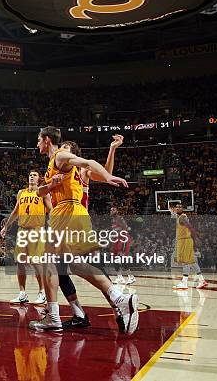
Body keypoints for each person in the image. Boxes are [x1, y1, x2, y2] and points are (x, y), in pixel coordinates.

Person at [29, 126, 139, 335]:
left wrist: (107, 175)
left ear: (47, 140)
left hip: (69, 213)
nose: (37, 143)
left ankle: (55, 317)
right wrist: (51, 185)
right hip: (70, 214)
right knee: (76, 266)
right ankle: (118, 300)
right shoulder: (52, 166)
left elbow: (90, 164)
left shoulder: (64, 159)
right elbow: (41, 192)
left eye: (38, 139)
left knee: (51, 262)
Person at [1, 170, 52, 305]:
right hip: (22, 230)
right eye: (30, 175)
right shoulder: (21, 193)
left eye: (34, 175)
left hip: (36, 230)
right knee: (20, 262)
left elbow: (51, 211)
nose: (31, 177)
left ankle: (42, 292)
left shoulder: (43, 193)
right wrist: (6, 227)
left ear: (39, 179)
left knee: (36, 262)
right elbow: (16, 211)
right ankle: (22, 293)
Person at [170, 202, 208, 290]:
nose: (178, 208)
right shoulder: (179, 217)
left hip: (184, 241)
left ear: (182, 209)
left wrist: (196, 237)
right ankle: (202, 280)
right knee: (192, 262)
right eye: (177, 207)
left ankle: (184, 282)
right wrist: (172, 211)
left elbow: (189, 226)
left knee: (185, 262)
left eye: (180, 207)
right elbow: (174, 215)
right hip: (186, 241)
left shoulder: (182, 217)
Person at [110, 206, 135, 284]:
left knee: (122, 260)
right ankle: (119, 277)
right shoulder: (113, 220)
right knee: (114, 259)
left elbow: (125, 230)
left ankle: (131, 277)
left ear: (117, 211)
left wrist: (123, 245)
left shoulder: (120, 219)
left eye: (113, 210)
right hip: (117, 241)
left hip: (123, 240)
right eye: (110, 210)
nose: (111, 211)